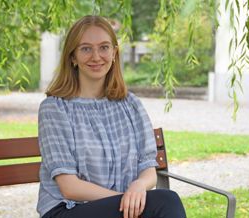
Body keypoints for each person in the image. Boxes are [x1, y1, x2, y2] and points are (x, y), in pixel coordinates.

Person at [37, 15, 186, 218]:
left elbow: (148, 170)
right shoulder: (54, 109)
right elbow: (69, 187)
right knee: (166, 202)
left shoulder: (130, 105)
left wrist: (138, 187)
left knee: (165, 201)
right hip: (68, 209)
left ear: (114, 53)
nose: (96, 56)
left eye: (104, 47)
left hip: (120, 207)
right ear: (72, 57)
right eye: (86, 48)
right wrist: (127, 201)